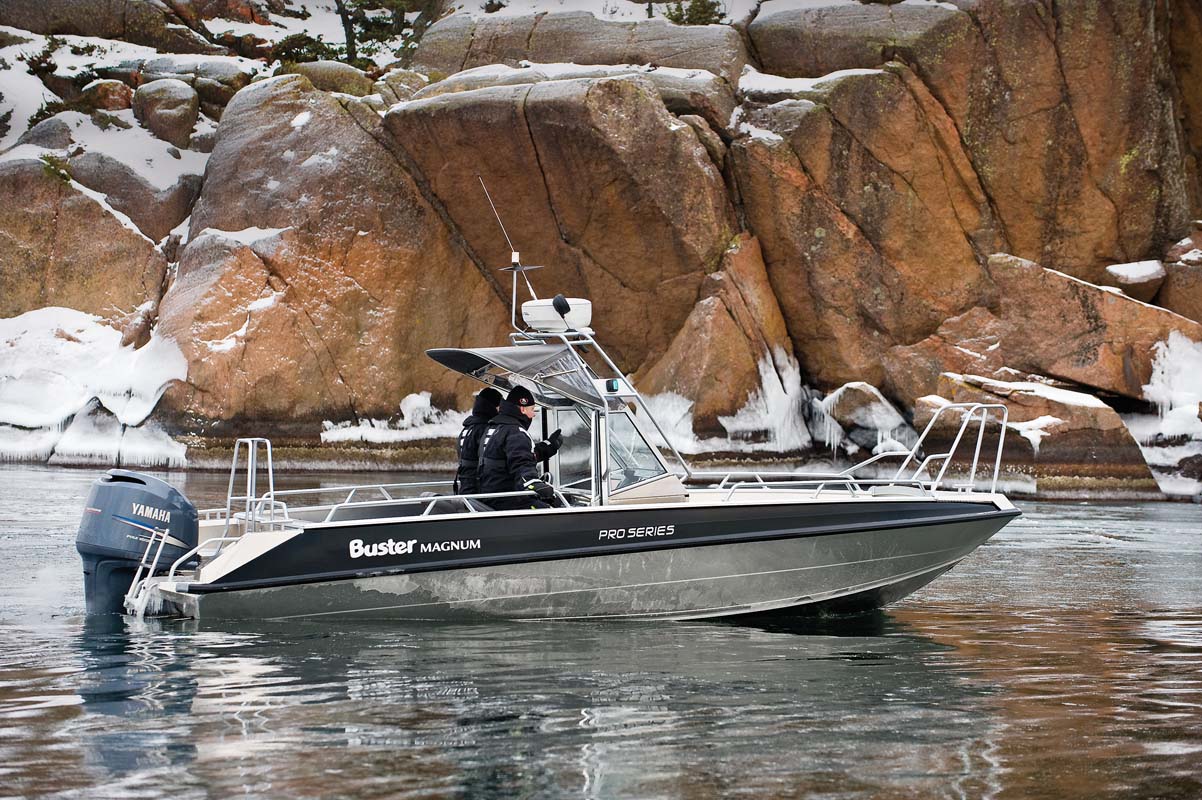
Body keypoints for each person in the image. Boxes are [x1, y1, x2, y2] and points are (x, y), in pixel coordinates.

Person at [477, 385, 564, 510]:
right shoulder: (516, 431)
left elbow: (517, 455)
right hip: (507, 500)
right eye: (532, 409)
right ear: (522, 409)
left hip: (489, 496)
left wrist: (548, 446)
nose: (533, 414)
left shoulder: (494, 427)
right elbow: (521, 463)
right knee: (552, 509)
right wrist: (534, 483)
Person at [454, 387, 502, 495]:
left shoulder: (467, 428)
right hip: (478, 490)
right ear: (492, 407)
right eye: (499, 407)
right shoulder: (485, 429)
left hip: (465, 487)